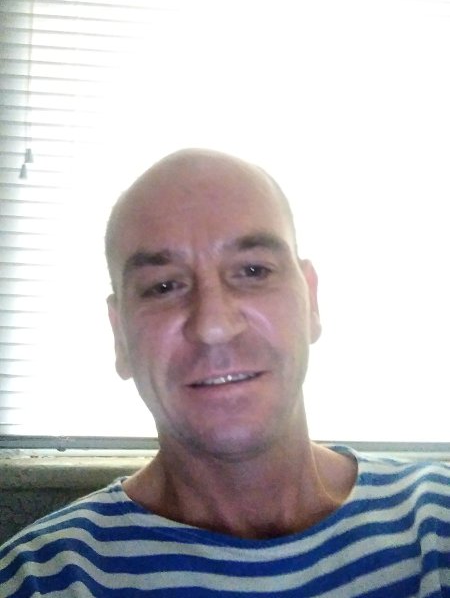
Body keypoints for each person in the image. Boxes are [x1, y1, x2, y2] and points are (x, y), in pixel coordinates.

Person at [0, 148, 449, 597]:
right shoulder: (39, 579)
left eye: (253, 271)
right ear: (120, 337)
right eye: (163, 286)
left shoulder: (436, 523)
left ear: (310, 302)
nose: (213, 326)